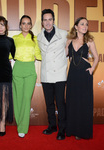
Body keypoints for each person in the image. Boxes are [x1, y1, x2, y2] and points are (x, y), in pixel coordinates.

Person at [65, 17, 98, 140]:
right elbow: (65, 54)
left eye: (86, 24)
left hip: (84, 74)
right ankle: (72, 129)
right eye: (82, 24)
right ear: (76, 27)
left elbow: (96, 57)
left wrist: (92, 69)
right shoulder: (70, 40)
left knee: (84, 103)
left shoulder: (89, 41)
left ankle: (82, 131)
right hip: (73, 74)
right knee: (73, 102)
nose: (85, 26)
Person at [37, 9, 67, 140]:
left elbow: (72, 48)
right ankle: (52, 126)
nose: (48, 22)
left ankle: (62, 129)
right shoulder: (38, 36)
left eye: (50, 19)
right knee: (49, 103)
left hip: (59, 73)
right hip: (46, 75)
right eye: (45, 20)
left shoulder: (64, 34)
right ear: (42, 22)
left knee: (60, 103)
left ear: (53, 20)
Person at [12, 15, 42, 138]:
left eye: (28, 23)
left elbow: (39, 55)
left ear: (31, 25)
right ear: (20, 25)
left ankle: (23, 127)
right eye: (23, 23)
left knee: (26, 98)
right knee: (17, 98)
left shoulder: (35, 39)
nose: (26, 25)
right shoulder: (14, 38)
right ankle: (20, 123)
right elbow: (8, 54)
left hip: (30, 69)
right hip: (18, 67)